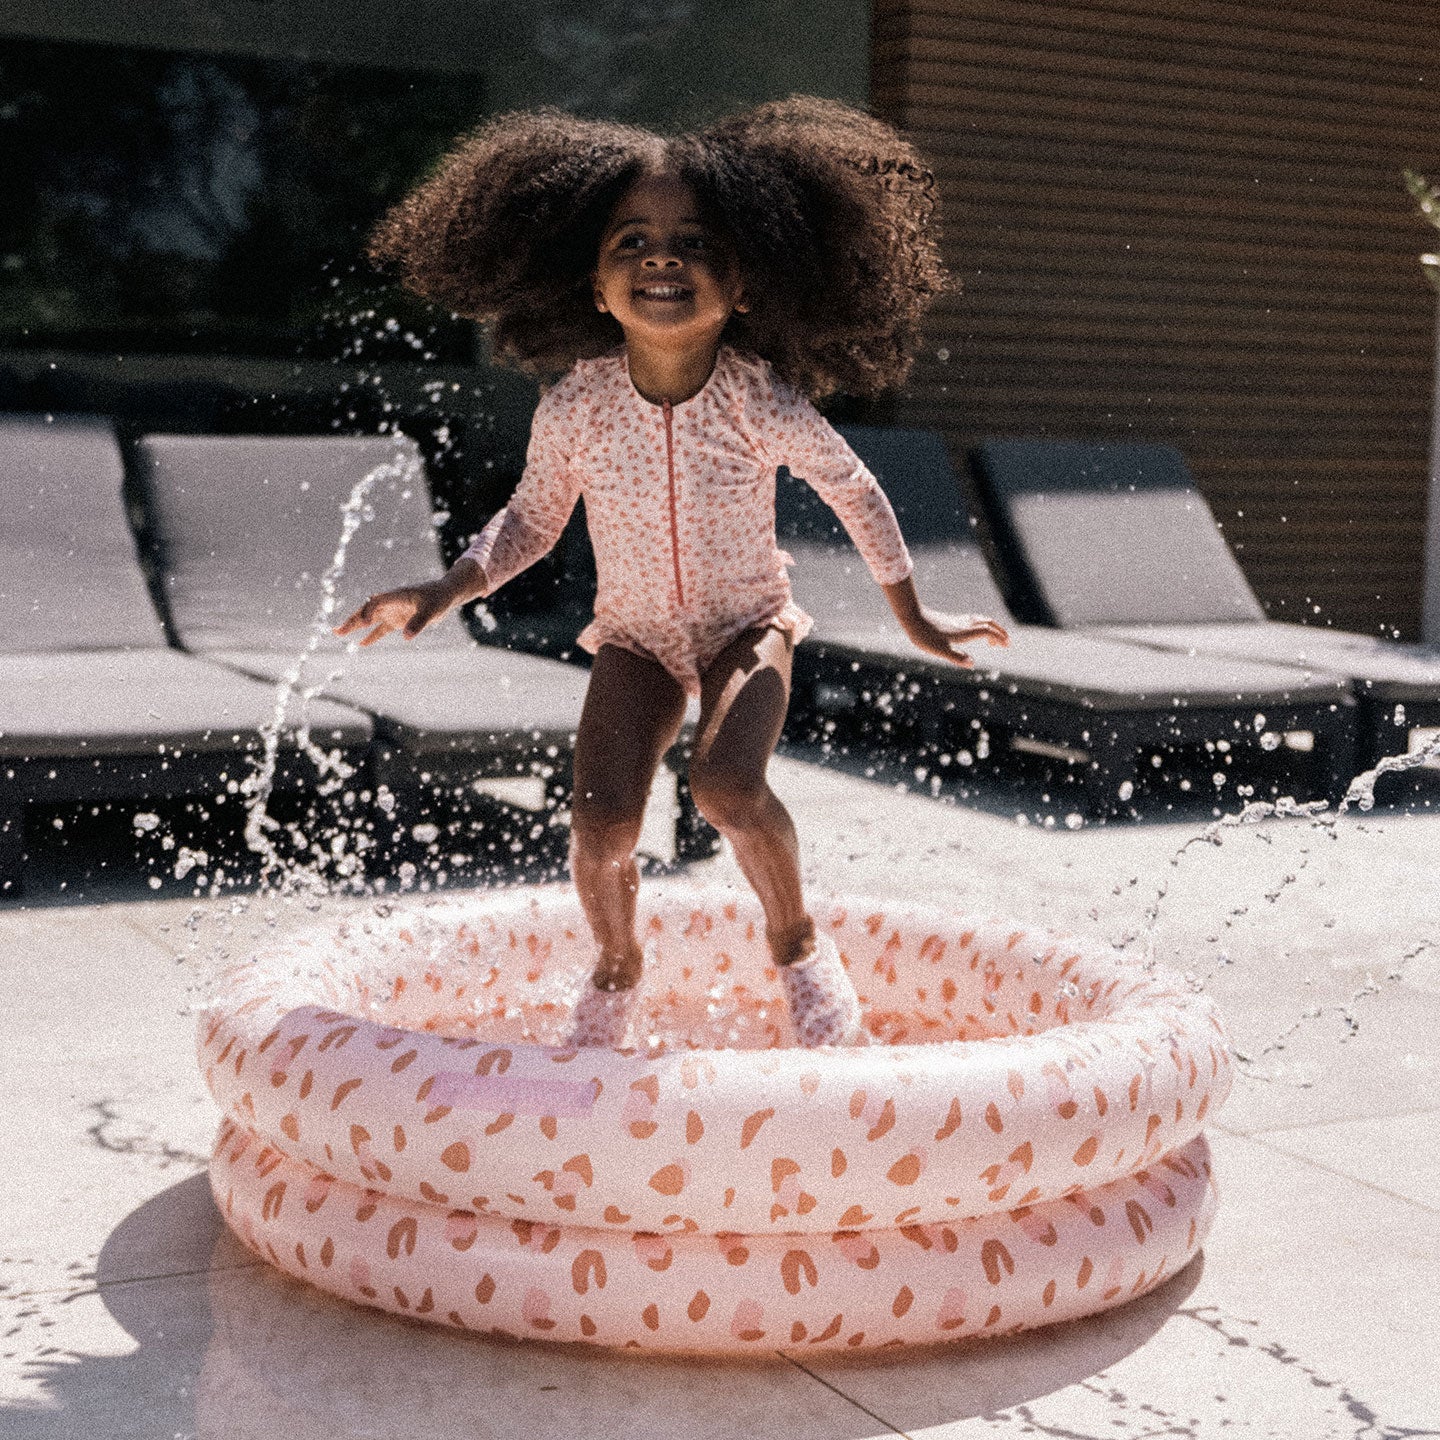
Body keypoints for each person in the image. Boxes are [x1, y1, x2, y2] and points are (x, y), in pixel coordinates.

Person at [335, 99, 1008, 1049]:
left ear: (744, 287)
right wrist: (446, 589)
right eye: (633, 242)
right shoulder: (577, 408)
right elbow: (530, 521)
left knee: (726, 788)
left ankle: (797, 945)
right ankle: (616, 967)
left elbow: (855, 491)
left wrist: (914, 614)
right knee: (602, 829)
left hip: (747, 626)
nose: (662, 258)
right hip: (637, 638)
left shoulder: (758, 400)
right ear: (595, 286)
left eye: (695, 243)